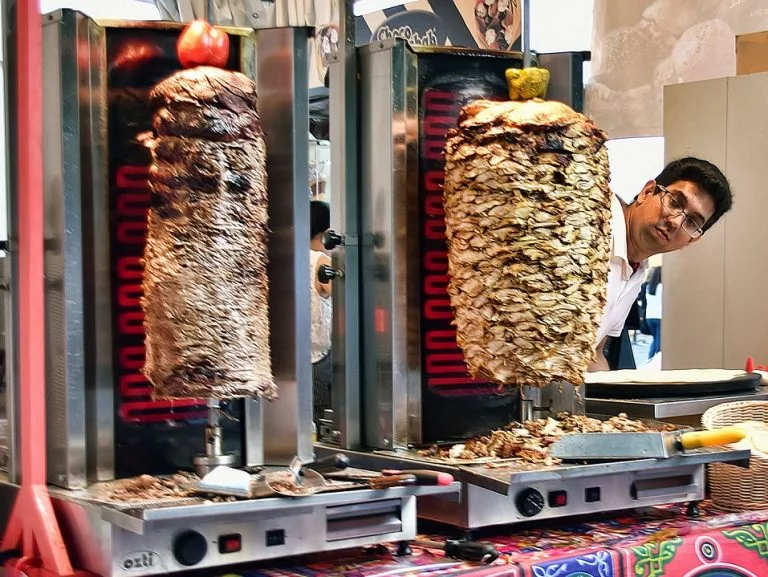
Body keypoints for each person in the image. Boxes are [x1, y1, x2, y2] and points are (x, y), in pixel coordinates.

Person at [589, 157, 733, 372]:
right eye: (674, 202)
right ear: (647, 192)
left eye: (691, 222)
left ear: (691, 240)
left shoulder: (637, 269)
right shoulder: (590, 223)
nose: (675, 222)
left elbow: (593, 353)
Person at [310, 201, 333, 420]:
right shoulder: (322, 262)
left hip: (296, 356)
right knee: (320, 417)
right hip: (319, 358)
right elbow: (347, 297)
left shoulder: (292, 258)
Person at [644, 266, 662, 359]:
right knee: (659, 341)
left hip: (649, 316)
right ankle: (656, 360)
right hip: (660, 316)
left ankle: (650, 358)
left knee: (655, 339)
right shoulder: (661, 287)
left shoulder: (649, 287)